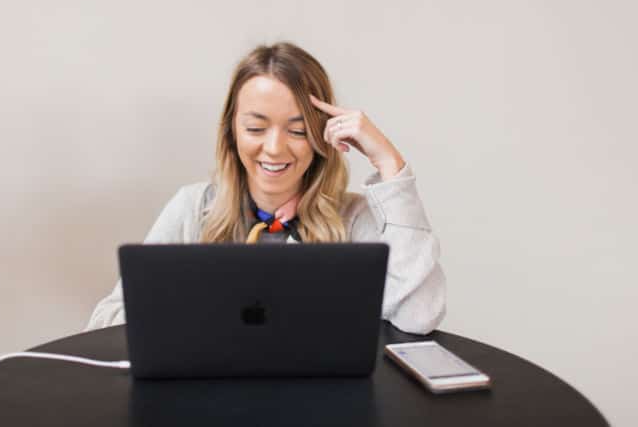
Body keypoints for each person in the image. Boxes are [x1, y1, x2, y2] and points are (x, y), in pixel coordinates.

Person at [86, 42, 446, 334]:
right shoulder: (193, 207)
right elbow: (105, 321)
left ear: (322, 135)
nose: (274, 148)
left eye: (298, 129)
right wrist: (193, 313)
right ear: (231, 131)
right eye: (256, 128)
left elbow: (419, 316)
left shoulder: (353, 220)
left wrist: (390, 165)